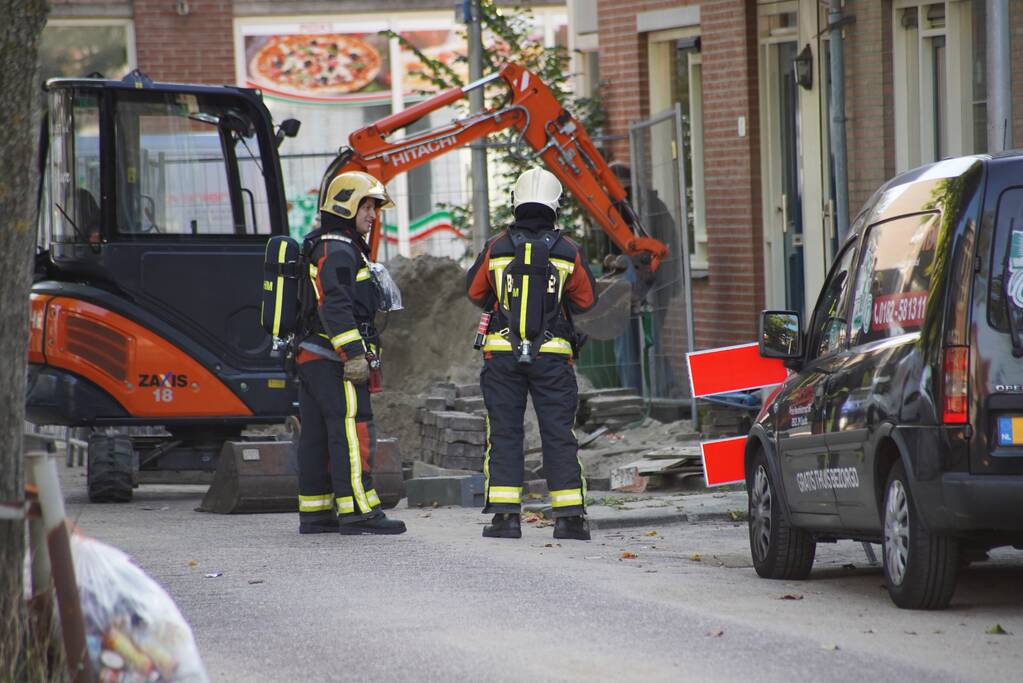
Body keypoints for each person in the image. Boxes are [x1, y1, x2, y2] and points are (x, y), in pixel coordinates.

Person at [465, 167, 598, 541]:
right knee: (558, 433)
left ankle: (506, 518)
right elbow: (587, 300)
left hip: (501, 355)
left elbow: (475, 292)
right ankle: (570, 519)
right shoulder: (568, 250)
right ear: (555, 206)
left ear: (516, 203)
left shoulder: (497, 246)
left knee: (504, 433)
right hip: (553, 357)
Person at [294, 171, 406, 535]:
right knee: (351, 429)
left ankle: (316, 512)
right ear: (347, 204)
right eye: (368, 206)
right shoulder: (338, 249)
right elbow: (336, 305)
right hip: (333, 357)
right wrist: (354, 353)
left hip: (313, 355)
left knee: (316, 435)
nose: (373, 215)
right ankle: (360, 510)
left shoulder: (326, 245)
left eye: (375, 207)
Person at [608, 162, 682, 398]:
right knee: (646, 342)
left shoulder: (630, 208)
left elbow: (651, 250)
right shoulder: (640, 205)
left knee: (637, 344)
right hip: (648, 284)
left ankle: (641, 396)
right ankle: (654, 392)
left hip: (650, 284)